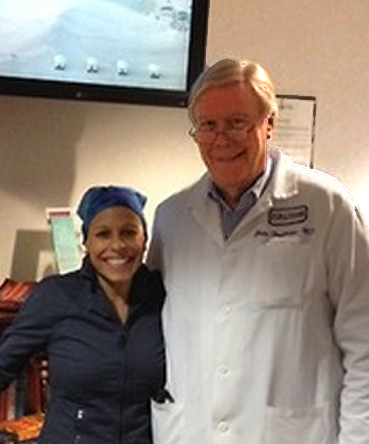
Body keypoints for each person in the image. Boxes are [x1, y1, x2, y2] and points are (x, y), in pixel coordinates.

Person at [147, 58, 369, 444]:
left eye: (236, 123)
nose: (221, 139)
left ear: (269, 123)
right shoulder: (172, 218)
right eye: (208, 126)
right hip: (190, 431)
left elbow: (363, 343)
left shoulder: (327, 206)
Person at [0, 185, 166, 444]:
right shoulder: (56, 297)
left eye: (129, 232)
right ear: (86, 242)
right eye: (103, 234)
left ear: (144, 241)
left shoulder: (163, 297)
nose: (117, 245)